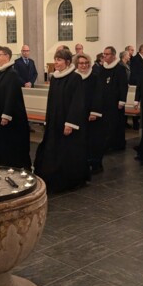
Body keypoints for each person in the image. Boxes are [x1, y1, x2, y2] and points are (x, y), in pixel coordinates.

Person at [35, 49, 88, 192]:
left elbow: (77, 102)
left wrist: (70, 123)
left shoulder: (75, 78)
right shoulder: (55, 78)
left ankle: (69, 180)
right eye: (55, 59)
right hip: (54, 121)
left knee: (68, 151)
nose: (56, 63)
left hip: (67, 122)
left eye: (59, 60)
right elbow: (51, 101)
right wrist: (48, 120)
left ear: (67, 62)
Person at [96, 46, 129, 153]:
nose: (104, 56)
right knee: (105, 123)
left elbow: (123, 86)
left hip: (115, 101)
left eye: (107, 54)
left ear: (113, 55)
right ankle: (106, 143)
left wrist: (122, 100)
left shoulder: (120, 68)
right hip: (104, 101)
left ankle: (117, 144)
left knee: (115, 123)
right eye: (103, 54)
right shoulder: (102, 68)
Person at [74, 53, 102, 174]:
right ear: (76, 64)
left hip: (91, 114)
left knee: (93, 139)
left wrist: (94, 112)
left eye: (86, 63)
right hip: (78, 113)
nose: (84, 66)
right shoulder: (74, 78)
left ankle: (95, 163)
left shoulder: (94, 77)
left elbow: (99, 96)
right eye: (81, 63)